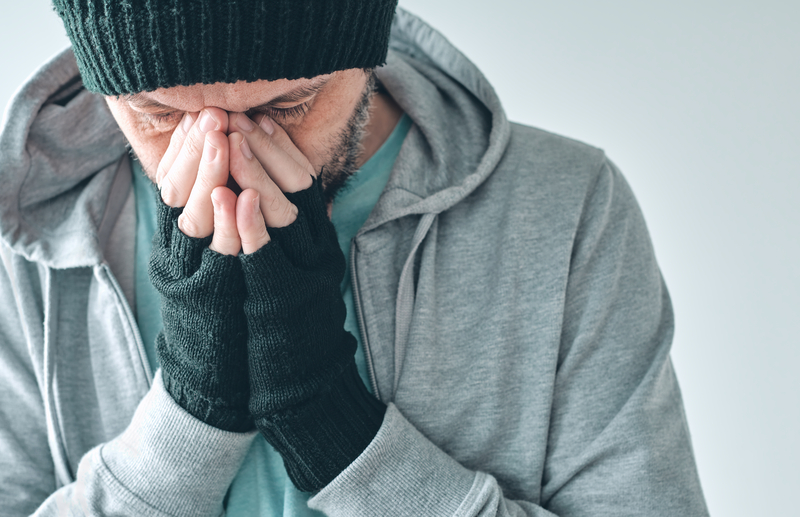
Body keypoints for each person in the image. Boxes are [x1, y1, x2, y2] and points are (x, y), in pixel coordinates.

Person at [0, 0, 709, 515]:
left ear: (366, 52)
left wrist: (333, 426)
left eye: (288, 107)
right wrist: (189, 418)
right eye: (160, 114)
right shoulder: (20, 243)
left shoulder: (567, 207)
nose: (226, 163)